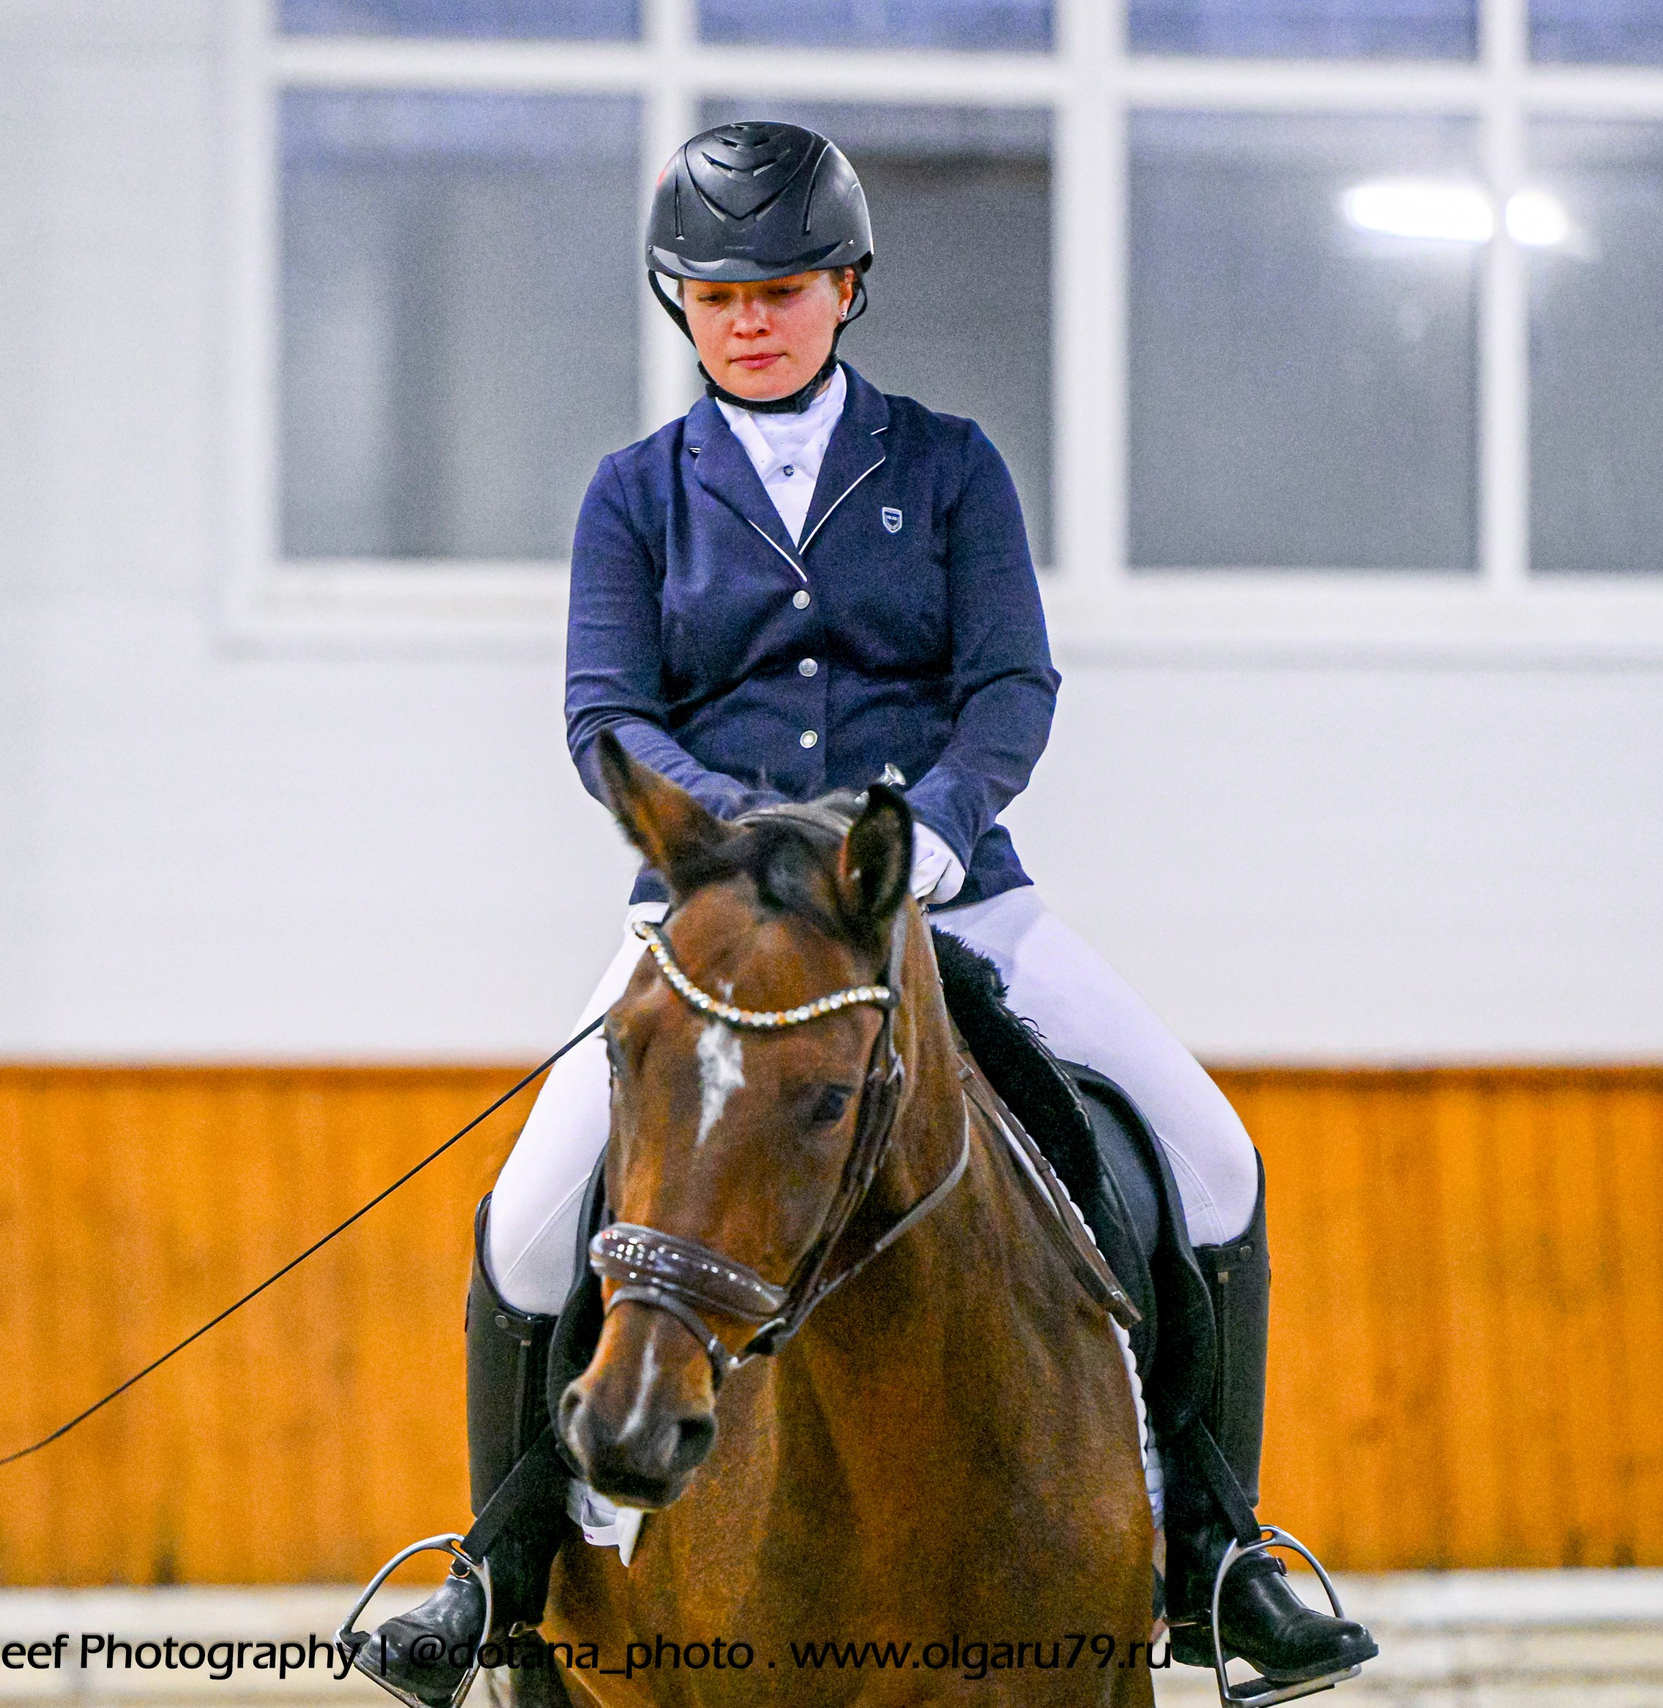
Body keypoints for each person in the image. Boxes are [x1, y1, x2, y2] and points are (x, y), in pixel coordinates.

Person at [349, 123, 1378, 1705]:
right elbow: (606, 714)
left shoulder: (948, 465)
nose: (747, 321)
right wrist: (742, 850)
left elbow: (1011, 683)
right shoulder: (635, 495)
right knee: (531, 1211)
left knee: (1213, 1153)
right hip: (716, 918)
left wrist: (942, 828)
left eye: (778, 290)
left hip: (945, 892)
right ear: (681, 307)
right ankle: (497, 1570)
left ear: (843, 289)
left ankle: (1219, 1555)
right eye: (715, 296)